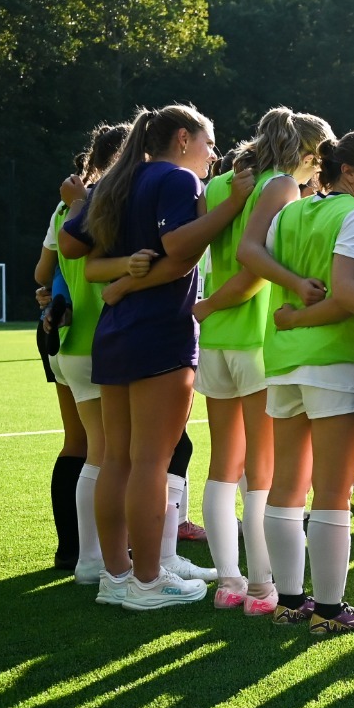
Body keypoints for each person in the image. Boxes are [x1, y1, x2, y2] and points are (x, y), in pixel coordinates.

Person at [58, 104, 254, 611]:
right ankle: (147, 581)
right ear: (184, 139)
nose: (215, 156)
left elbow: (72, 245)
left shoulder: (116, 181)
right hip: (159, 333)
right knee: (150, 460)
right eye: (211, 145)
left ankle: (116, 576)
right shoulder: (174, 179)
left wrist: (121, 277)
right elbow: (179, 251)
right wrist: (232, 204)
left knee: (116, 459)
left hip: (116, 333)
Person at [246, 131, 354, 635]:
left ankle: (291, 601)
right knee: (332, 492)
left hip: (283, 362)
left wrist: (290, 320)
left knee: (286, 487)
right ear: (348, 173)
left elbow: (263, 258)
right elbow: (347, 296)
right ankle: (330, 611)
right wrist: (300, 320)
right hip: (333, 359)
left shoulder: (292, 211)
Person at [192, 107, 333, 614]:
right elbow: (252, 270)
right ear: (312, 156)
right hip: (251, 336)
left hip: (214, 341)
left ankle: (228, 580)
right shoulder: (280, 187)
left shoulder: (223, 182)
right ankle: (259, 586)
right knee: (262, 469)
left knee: (222, 465)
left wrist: (207, 310)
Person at [36, 127, 129, 575]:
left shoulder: (64, 205)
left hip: (60, 333)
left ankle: (71, 551)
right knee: (106, 451)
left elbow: (42, 269)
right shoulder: (108, 202)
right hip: (97, 335)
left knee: (79, 444)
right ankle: (97, 558)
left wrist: (55, 288)